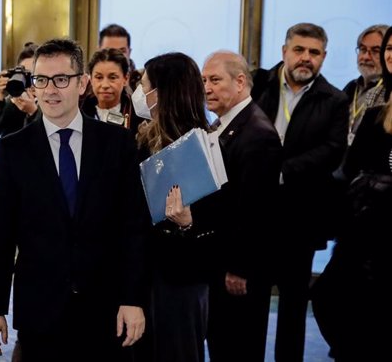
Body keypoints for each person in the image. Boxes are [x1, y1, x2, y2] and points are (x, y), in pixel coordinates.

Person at [0, 38, 149, 361]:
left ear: (82, 83)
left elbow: (133, 227)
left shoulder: (116, 144)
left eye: (61, 79)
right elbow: (0, 234)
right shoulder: (13, 150)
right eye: (41, 80)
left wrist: (133, 298)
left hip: (105, 307)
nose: (50, 90)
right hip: (39, 308)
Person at [252, 22, 348, 362]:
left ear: (323, 57)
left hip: (300, 218)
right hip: (255, 214)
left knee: (292, 307)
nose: (305, 58)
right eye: (299, 50)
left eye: (314, 52)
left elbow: (333, 150)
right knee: (251, 303)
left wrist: (282, 171)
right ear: (284, 52)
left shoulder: (335, 99)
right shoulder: (256, 84)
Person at [311, 27, 392, 362]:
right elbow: (347, 167)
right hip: (364, 229)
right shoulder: (375, 112)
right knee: (330, 297)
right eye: (388, 49)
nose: (385, 55)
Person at [201, 51, 282, 362]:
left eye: (215, 80)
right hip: (223, 261)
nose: (207, 87)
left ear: (239, 82)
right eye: (204, 80)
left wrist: (239, 268)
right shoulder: (225, 125)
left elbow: (255, 211)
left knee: (239, 346)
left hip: (240, 270)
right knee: (222, 343)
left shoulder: (257, 134)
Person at [133, 52, 214, 362]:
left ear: (163, 92)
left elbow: (217, 225)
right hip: (147, 274)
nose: (139, 94)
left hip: (181, 282)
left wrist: (188, 223)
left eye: (144, 86)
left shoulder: (201, 147)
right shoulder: (145, 138)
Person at [0, 42, 39, 139]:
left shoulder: (52, 102)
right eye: (26, 74)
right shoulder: (14, 102)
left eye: (35, 75)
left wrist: (33, 111)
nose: (30, 80)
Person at [342, 24, 389, 143]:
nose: (365, 57)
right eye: (362, 49)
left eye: (375, 51)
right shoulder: (351, 87)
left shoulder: (389, 92)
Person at [81, 47, 145, 132]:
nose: (105, 85)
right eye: (99, 77)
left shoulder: (138, 115)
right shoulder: (78, 112)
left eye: (112, 77)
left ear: (125, 79)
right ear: (91, 79)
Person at [98, 23, 140, 91]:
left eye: (122, 51)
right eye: (109, 51)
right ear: (99, 52)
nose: (116, 56)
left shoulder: (143, 85)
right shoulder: (85, 85)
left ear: (129, 52)